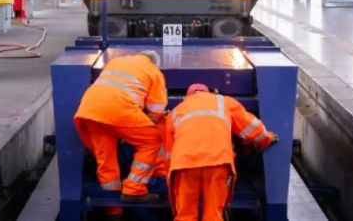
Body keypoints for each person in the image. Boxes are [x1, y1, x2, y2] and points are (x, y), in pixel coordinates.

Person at [165, 84, 278, 221]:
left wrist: (165, 174)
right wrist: (266, 139)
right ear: (209, 93)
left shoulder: (175, 112)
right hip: (217, 161)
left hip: (184, 166)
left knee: (185, 214)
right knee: (214, 214)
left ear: (188, 96)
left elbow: (168, 152)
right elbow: (251, 127)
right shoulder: (224, 102)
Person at [74, 50, 167, 205]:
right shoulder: (153, 70)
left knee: (106, 160)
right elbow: (156, 111)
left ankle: (113, 211)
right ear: (153, 63)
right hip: (119, 108)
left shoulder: (115, 62)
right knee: (151, 141)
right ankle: (134, 189)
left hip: (89, 110)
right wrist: (133, 130)